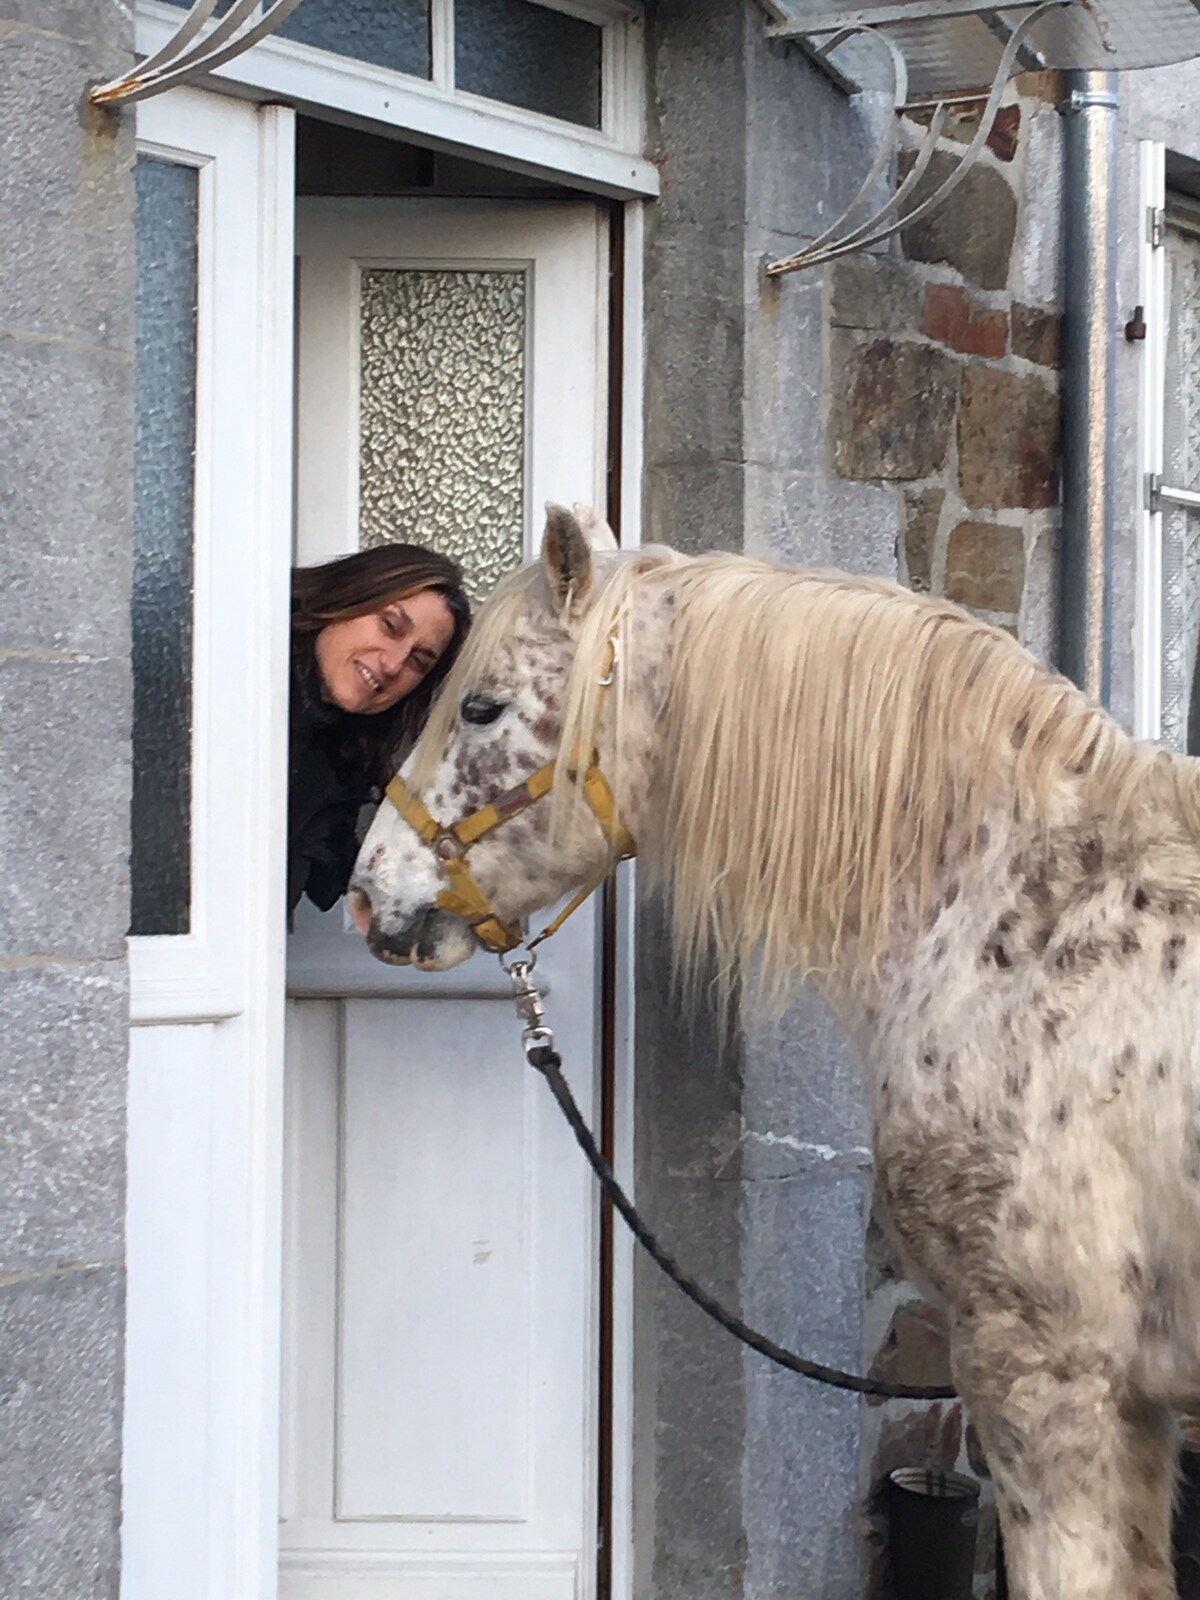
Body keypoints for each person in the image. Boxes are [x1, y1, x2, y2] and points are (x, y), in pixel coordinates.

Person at [288, 544, 470, 916]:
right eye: (390, 626)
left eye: (419, 662)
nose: (392, 664)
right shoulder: (230, 675)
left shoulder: (346, 764)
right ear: (345, 597)